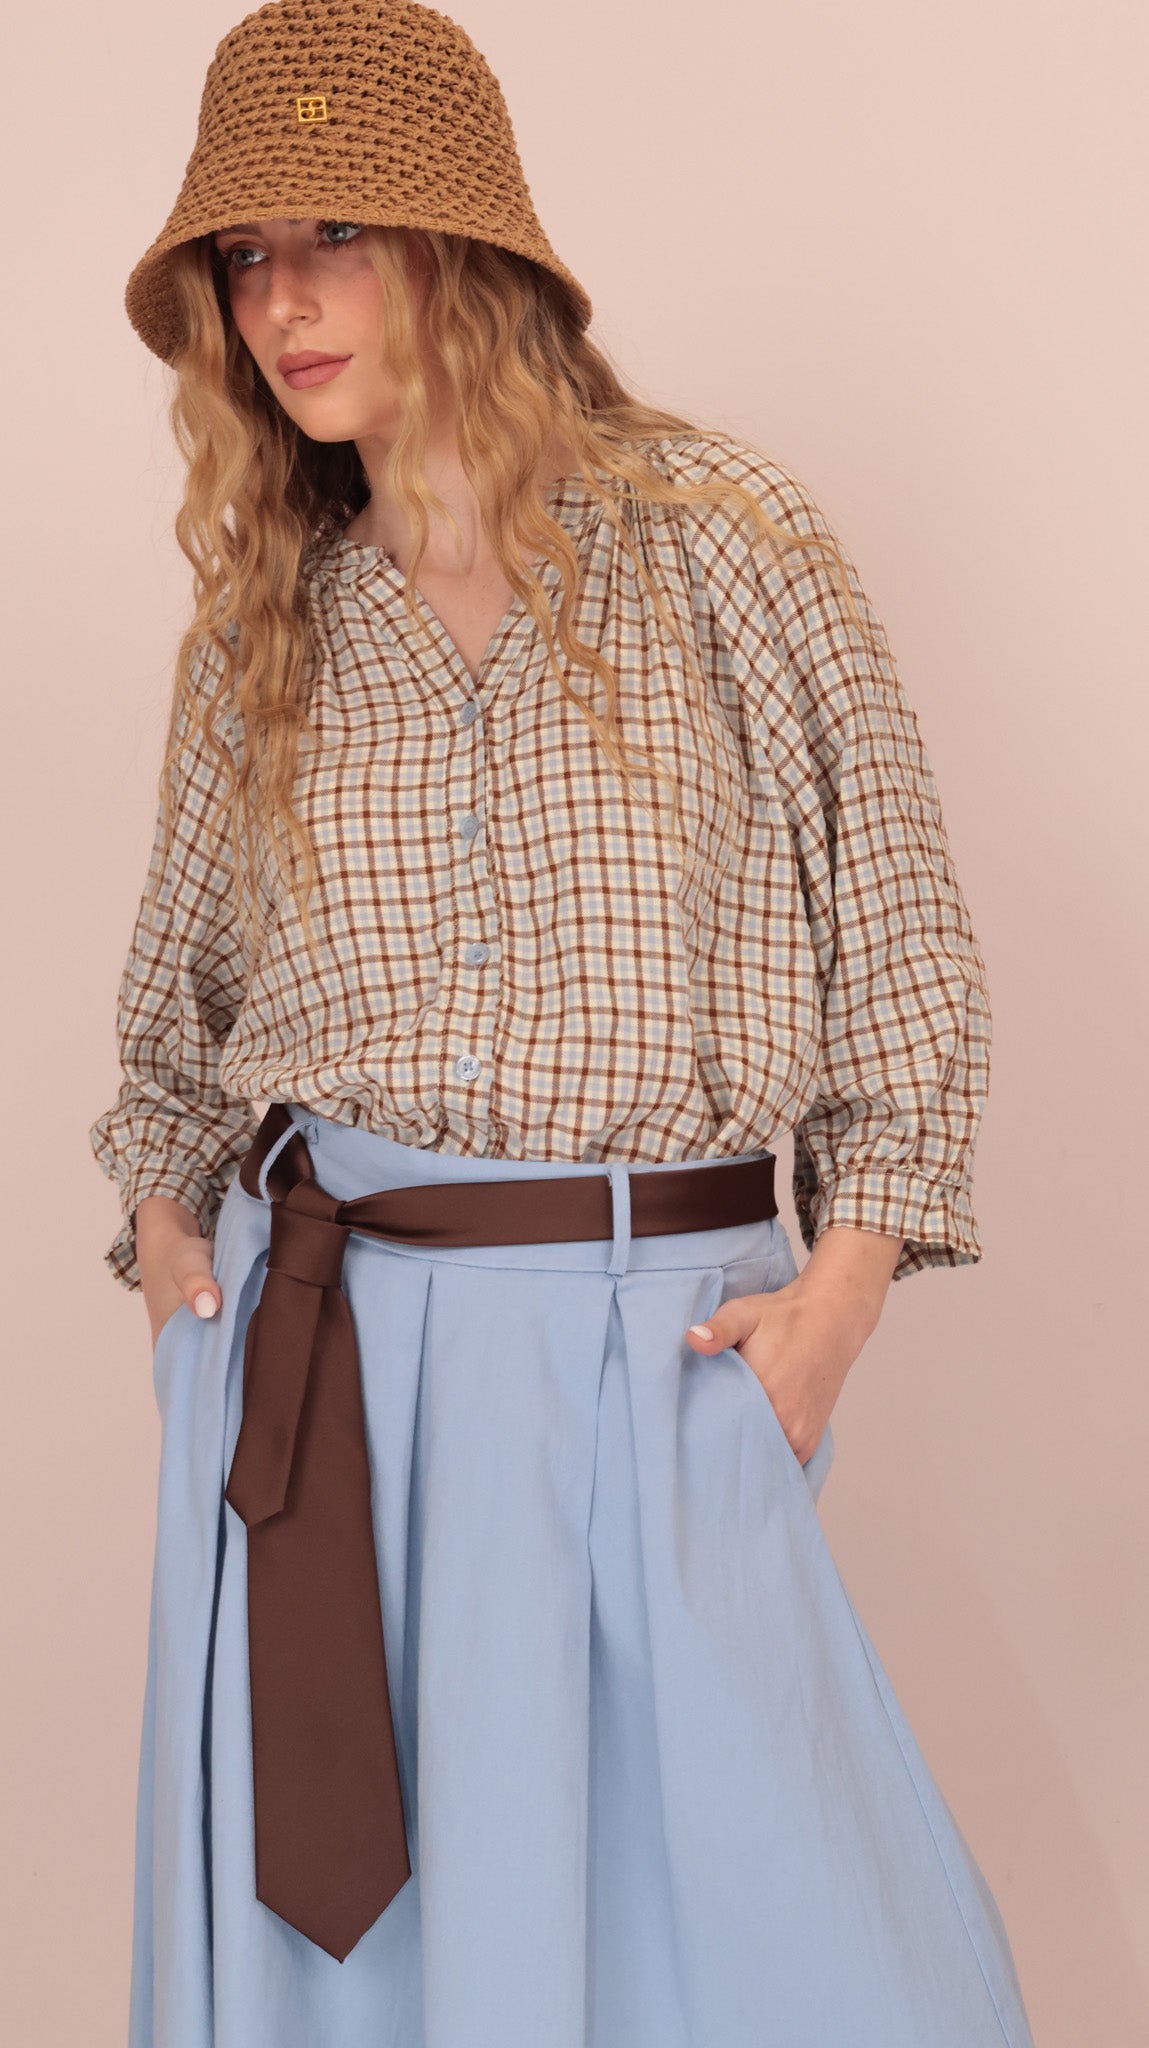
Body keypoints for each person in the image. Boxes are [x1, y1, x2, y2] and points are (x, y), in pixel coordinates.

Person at [88, 3, 1037, 2044]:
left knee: (788, 1952)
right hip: (315, 1372)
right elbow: (171, 1032)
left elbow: (903, 946)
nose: (280, 302)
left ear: (462, 243)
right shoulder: (263, 622)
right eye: (244, 255)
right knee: (358, 1978)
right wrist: (178, 1283)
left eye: (334, 234)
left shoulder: (727, 541)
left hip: (648, 1341)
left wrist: (839, 1296)